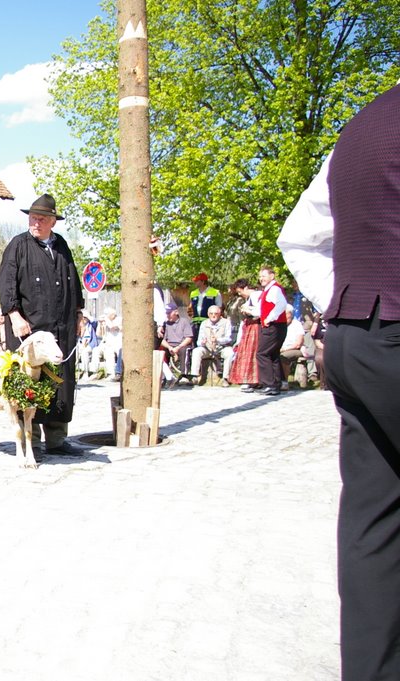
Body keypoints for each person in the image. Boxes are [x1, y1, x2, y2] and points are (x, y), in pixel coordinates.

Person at [277, 84, 400, 681]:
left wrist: (349, 303)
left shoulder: (362, 125)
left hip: (358, 344)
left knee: (374, 523)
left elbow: (297, 236)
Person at [0, 193, 84, 456]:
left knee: (61, 383)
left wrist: (79, 314)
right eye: (33, 217)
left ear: (53, 222)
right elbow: (6, 282)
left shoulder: (62, 246)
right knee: (29, 384)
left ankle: (57, 439)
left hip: (61, 330)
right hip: (30, 330)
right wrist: (14, 315)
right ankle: (30, 440)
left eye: (42, 219)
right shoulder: (18, 245)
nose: (35, 222)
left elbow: (74, 282)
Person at [253, 265, 288, 396]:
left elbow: (282, 304)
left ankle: (268, 384)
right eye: (260, 276)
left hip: (273, 325)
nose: (261, 278)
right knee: (273, 354)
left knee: (262, 353)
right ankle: (276, 384)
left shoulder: (274, 289)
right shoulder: (269, 290)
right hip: (276, 325)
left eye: (264, 276)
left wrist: (269, 318)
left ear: (272, 276)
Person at [228, 278, 261, 389]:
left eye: (240, 292)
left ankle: (253, 379)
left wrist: (247, 310)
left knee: (252, 352)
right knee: (247, 351)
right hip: (249, 326)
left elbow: (259, 312)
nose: (240, 294)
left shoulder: (256, 296)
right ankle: (250, 379)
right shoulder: (251, 297)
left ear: (246, 288)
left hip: (255, 326)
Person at [189, 305, 233, 386]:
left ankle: (226, 378)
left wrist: (218, 340)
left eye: (216, 313)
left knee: (230, 353)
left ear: (220, 314)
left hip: (221, 348)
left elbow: (229, 338)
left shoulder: (226, 322)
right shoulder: (204, 323)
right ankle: (194, 377)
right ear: (208, 314)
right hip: (208, 348)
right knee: (196, 351)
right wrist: (203, 342)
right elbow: (199, 342)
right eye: (211, 313)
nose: (213, 315)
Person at [159, 303, 193, 387]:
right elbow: (162, 340)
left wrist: (178, 347)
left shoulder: (184, 321)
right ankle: (164, 377)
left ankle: (184, 375)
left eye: (169, 313)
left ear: (176, 312)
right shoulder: (165, 324)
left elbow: (189, 338)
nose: (167, 315)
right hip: (169, 346)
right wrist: (170, 347)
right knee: (160, 351)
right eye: (166, 313)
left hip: (181, 345)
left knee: (184, 350)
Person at [188, 273, 223, 341]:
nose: (195, 282)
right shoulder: (193, 293)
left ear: (203, 281)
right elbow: (190, 307)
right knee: (195, 342)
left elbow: (219, 309)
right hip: (196, 323)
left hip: (209, 323)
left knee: (208, 342)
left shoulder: (215, 292)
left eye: (197, 281)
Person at [98, 306, 123, 380]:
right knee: (108, 352)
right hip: (108, 344)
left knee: (119, 352)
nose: (106, 315)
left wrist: (106, 320)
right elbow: (98, 334)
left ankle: (118, 373)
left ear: (112, 314)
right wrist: (100, 324)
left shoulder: (119, 319)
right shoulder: (106, 322)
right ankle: (111, 373)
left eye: (107, 314)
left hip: (118, 343)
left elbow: (112, 327)